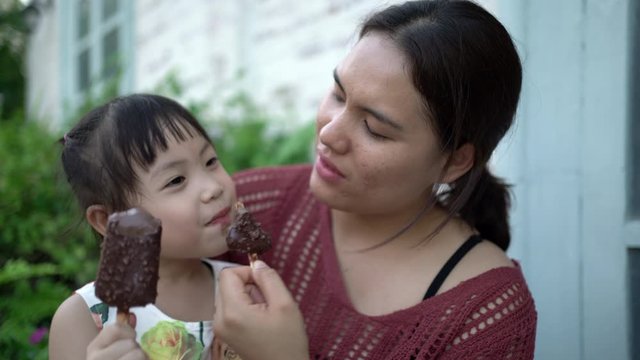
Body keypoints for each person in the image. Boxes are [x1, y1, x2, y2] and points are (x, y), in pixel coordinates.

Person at [213, 0, 537, 359]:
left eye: (375, 129)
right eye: (338, 94)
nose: (329, 134)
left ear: (454, 161)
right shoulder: (247, 205)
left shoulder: (484, 315)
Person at [49, 94, 239, 360]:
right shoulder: (83, 318)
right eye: (176, 180)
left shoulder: (244, 289)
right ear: (109, 220)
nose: (213, 188)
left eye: (210, 161)